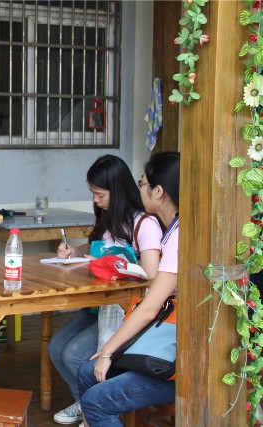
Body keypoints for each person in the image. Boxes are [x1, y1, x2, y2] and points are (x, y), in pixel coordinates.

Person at [48, 154, 163, 425]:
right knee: (56, 347)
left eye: (100, 194)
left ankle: (94, 406)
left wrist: (111, 265)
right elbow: (97, 248)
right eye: (93, 194)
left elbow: (151, 276)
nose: (96, 200)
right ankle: (84, 403)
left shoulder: (144, 225)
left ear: (118, 190)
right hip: (100, 306)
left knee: (74, 354)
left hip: (126, 311)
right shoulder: (109, 219)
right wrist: (75, 250)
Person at [77, 152, 180, 427]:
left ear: (158, 192)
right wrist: (109, 350)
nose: (140, 188)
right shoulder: (172, 229)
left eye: (143, 183)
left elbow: (149, 308)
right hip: (165, 334)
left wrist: (109, 350)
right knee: (87, 372)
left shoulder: (178, 234)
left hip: (174, 358)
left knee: (95, 401)